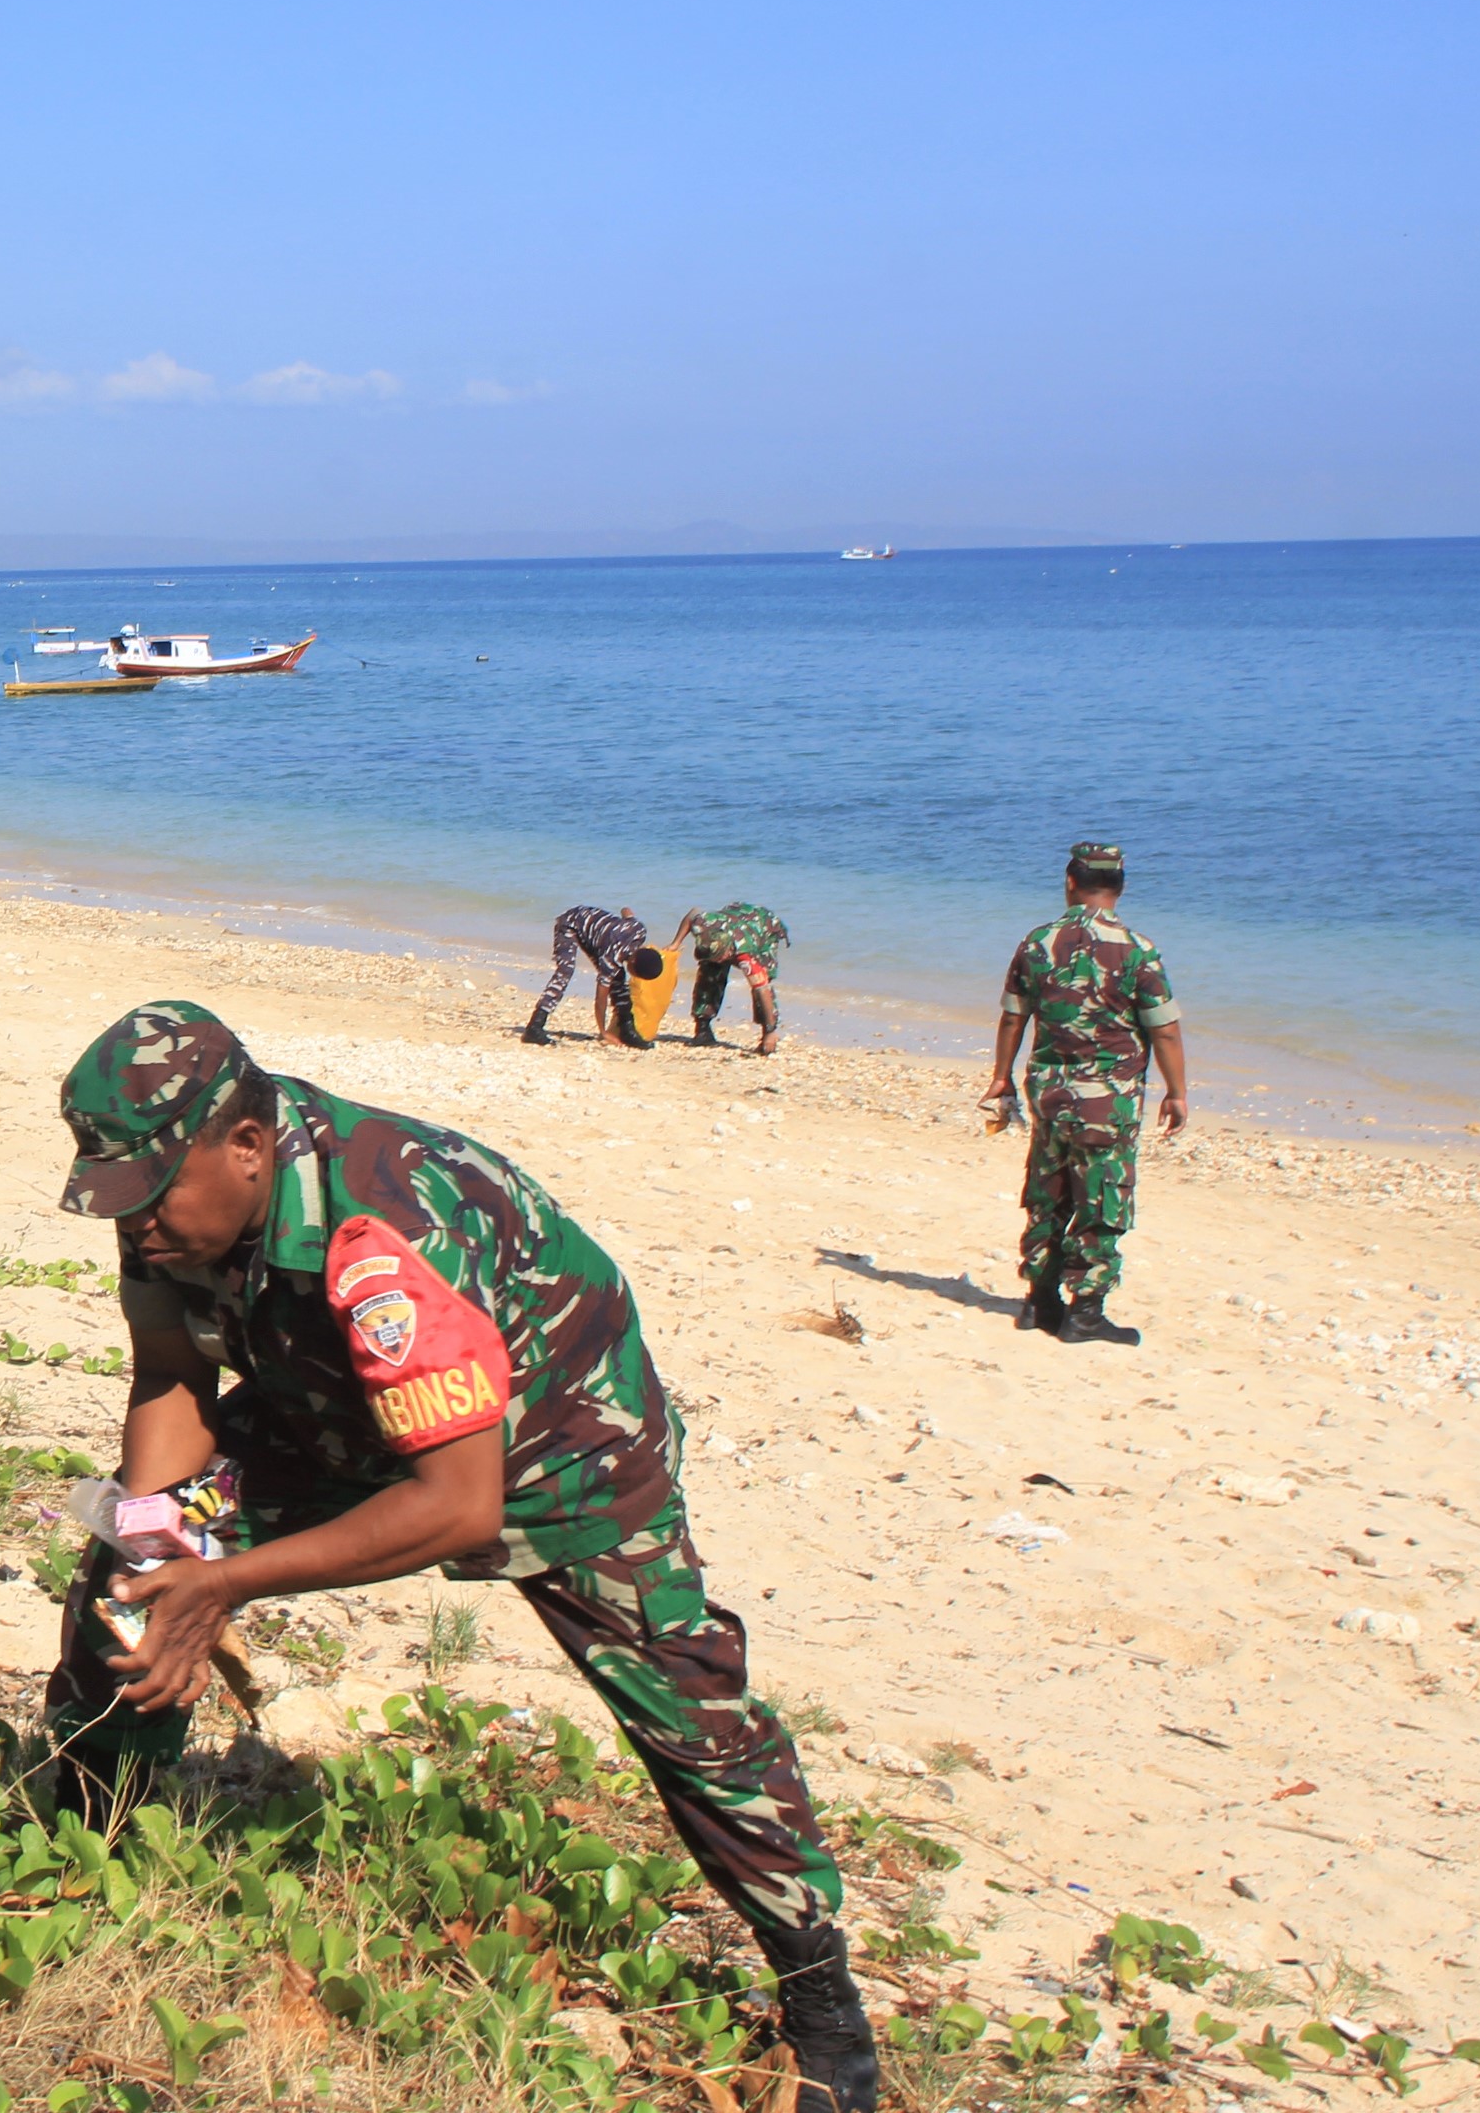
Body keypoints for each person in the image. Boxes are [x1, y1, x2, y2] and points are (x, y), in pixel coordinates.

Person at [43, 1002, 879, 2113]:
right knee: (127, 1576)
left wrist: (228, 1582)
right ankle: (88, 1839)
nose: (133, 1223)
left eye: (149, 1197)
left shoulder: (387, 1226)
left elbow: (457, 1505)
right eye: (115, 1199)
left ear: (245, 1146)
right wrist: (162, 1544)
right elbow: (170, 1373)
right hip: (330, 1401)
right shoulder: (166, 1202)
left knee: (686, 1707)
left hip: (555, 1438)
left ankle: (823, 2004)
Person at [984, 842, 1188, 1344]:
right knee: (1101, 1197)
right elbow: (1164, 1030)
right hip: (1108, 1100)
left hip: (1050, 1093)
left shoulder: (1037, 942)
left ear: (1070, 882)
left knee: (1048, 1190)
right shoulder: (1137, 949)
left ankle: (1040, 1300)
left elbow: (1013, 1017)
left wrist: (1001, 1077)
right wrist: (1176, 1092)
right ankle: (1087, 1312)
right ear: (1120, 888)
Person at [521, 903, 655, 1047]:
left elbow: (626, 911)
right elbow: (600, 998)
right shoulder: (613, 957)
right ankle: (534, 1026)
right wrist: (603, 1032)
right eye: (635, 973)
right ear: (633, 962)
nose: (633, 976)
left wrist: (611, 926)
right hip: (569, 924)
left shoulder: (639, 930)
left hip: (596, 932)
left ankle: (627, 1030)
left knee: (618, 977)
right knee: (565, 971)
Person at [678, 900, 792, 1053]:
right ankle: (703, 1028)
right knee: (709, 971)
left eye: (719, 957)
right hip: (734, 918)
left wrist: (770, 1031)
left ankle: (767, 1034)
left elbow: (762, 990)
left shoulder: (746, 956)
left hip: (764, 927)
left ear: (728, 953)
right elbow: (692, 913)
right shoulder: (703, 925)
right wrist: (675, 943)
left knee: (762, 982)